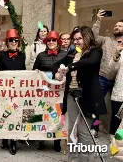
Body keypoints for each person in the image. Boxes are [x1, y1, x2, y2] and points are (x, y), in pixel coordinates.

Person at [54, 26, 107, 161]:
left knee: (84, 132)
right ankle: (72, 159)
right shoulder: (72, 53)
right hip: (72, 95)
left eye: (79, 38)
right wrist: (57, 71)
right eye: (75, 39)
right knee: (72, 129)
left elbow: (90, 62)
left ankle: (86, 159)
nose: (76, 42)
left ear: (87, 37)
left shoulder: (95, 51)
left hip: (87, 97)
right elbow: (56, 64)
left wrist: (69, 67)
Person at [0, 29, 25, 155]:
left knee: (15, 115)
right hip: (4, 90)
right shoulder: (1, 55)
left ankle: (13, 141)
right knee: (5, 113)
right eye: (11, 40)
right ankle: (4, 138)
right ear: (7, 43)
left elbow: (24, 71)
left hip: (17, 91)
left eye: (15, 40)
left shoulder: (22, 55)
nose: (13, 42)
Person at [32, 31, 67, 151]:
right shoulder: (41, 55)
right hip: (44, 91)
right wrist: (36, 72)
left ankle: (56, 140)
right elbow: (34, 70)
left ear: (58, 42)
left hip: (59, 92)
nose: (51, 42)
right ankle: (41, 139)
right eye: (49, 41)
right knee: (42, 113)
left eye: (54, 40)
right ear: (46, 43)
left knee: (57, 114)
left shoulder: (64, 55)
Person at [92, 10, 123, 137]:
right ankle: (95, 127)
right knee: (97, 104)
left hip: (118, 81)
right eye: (116, 25)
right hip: (103, 77)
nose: (116, 27)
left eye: (120, 26)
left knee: (116, 110)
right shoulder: (106, 40)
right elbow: (93, 38)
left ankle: (113, 133)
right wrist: (98, 21)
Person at [108, 41, 123, 145]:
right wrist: (117, 53)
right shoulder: (121, 52)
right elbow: (112, 68)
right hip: (120, 90)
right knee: (116, 116)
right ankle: (113, 136)